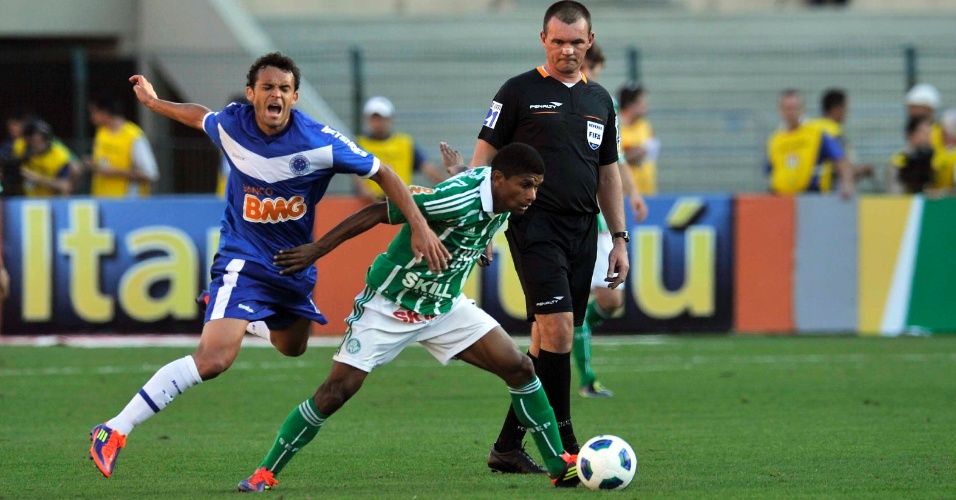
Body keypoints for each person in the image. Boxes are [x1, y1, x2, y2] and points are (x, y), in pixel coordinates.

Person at [88, 52, 450, 479]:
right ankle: (115, 428)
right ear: (251, 94)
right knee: (214, 360)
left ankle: (239, 316)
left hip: (292, 265)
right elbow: (199, 116)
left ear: (294, 97)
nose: (275, 94)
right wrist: (153, 103)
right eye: (267, 87)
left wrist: (419, 226)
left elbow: (384, 173)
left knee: (293, 346)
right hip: (242, 259)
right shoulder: (232, 124)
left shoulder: (320, 141)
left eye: (283, 88)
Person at [236, 142, 582, 492]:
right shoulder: (454, 200)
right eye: (526, 185)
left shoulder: (502, 196)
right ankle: (265, 472)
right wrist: (316, 250)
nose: (532, 195)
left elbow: (473, 178)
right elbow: (377, 211)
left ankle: (559, 465)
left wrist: (457, 170)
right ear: (499, 179)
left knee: (520, 368)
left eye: (537, 186)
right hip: (391, 305)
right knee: (336, 392)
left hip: (444, 306)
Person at [470, 1, 647, 474]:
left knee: (543, 342)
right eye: (559, 41)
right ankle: (567, 444)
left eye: (576, 42)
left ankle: (507, 447)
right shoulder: (518, 91)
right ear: (543, 39)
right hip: (535, 225)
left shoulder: (600, 100)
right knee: (560, 330)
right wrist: (479, 224)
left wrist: (620, 238)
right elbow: (482, 159)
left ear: (590, 41)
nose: (567, 50)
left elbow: (608, 174)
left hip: (583, 228)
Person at [573, 42, 643, 399]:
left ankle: (575, 330)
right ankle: (586, 378)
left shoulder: (604, 102)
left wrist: (634, 193)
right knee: (573, 301)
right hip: (572, 215)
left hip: (600, 217)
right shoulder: (553, 98)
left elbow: (614, 160)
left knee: (610, 300)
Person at [353, 96, 446, 202]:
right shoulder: (359, 145)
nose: (378, 123)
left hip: (402, 202)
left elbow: (428, 169)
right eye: (374, 119)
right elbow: (356, 175)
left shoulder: (405, 143)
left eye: (382, 118)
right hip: (370, 204)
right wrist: (367, 194)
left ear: (390, 119)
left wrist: (447, 188)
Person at [766, 88, 854, 199]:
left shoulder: (817, 133)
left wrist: (846, 183)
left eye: (794, 108)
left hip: (813, 198)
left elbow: (840, 159)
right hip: (782, 198)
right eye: (787, 108)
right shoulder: (775, 139)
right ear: (780, 110)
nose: (790, 113)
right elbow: (771, 169)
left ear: (802, 109)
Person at [84, 95, 160, 197]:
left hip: (127, 202)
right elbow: (104, 162)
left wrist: (114, 172)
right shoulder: (102, 133)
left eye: (94, 112)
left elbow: (150, 174)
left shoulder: (134, 136)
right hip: (103, 201)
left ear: (105, 113)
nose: (91, 117)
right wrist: (94, 164)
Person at [806, 88, 874, 186]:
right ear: (837, 109)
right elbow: (844, 168)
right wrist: (864, 170)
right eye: (845, 109)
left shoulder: (810, 128)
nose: (846, 113)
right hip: (829, 190)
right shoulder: (833, 132)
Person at [19, 120, 81, 196]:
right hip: (25, 200)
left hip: (50, 201)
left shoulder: (59, 154)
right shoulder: (21, 148)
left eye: (41, 137)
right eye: (32, 139)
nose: (36, 143)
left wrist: (38, 178)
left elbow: (66, 186)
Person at [619, 83, 660, 196]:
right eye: (642, 101)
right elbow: (610, 161)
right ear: (630, 104)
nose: (646, 104)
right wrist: (635, 153)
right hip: (625, 196)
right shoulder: (614, 127)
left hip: (648, 193)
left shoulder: (645, 126)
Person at [887, 115, 935, 194]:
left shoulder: (934, 157)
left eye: (930, 132)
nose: (929, 137)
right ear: (912, 135)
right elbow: (895, 192)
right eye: (924, 133)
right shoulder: (900, 160)